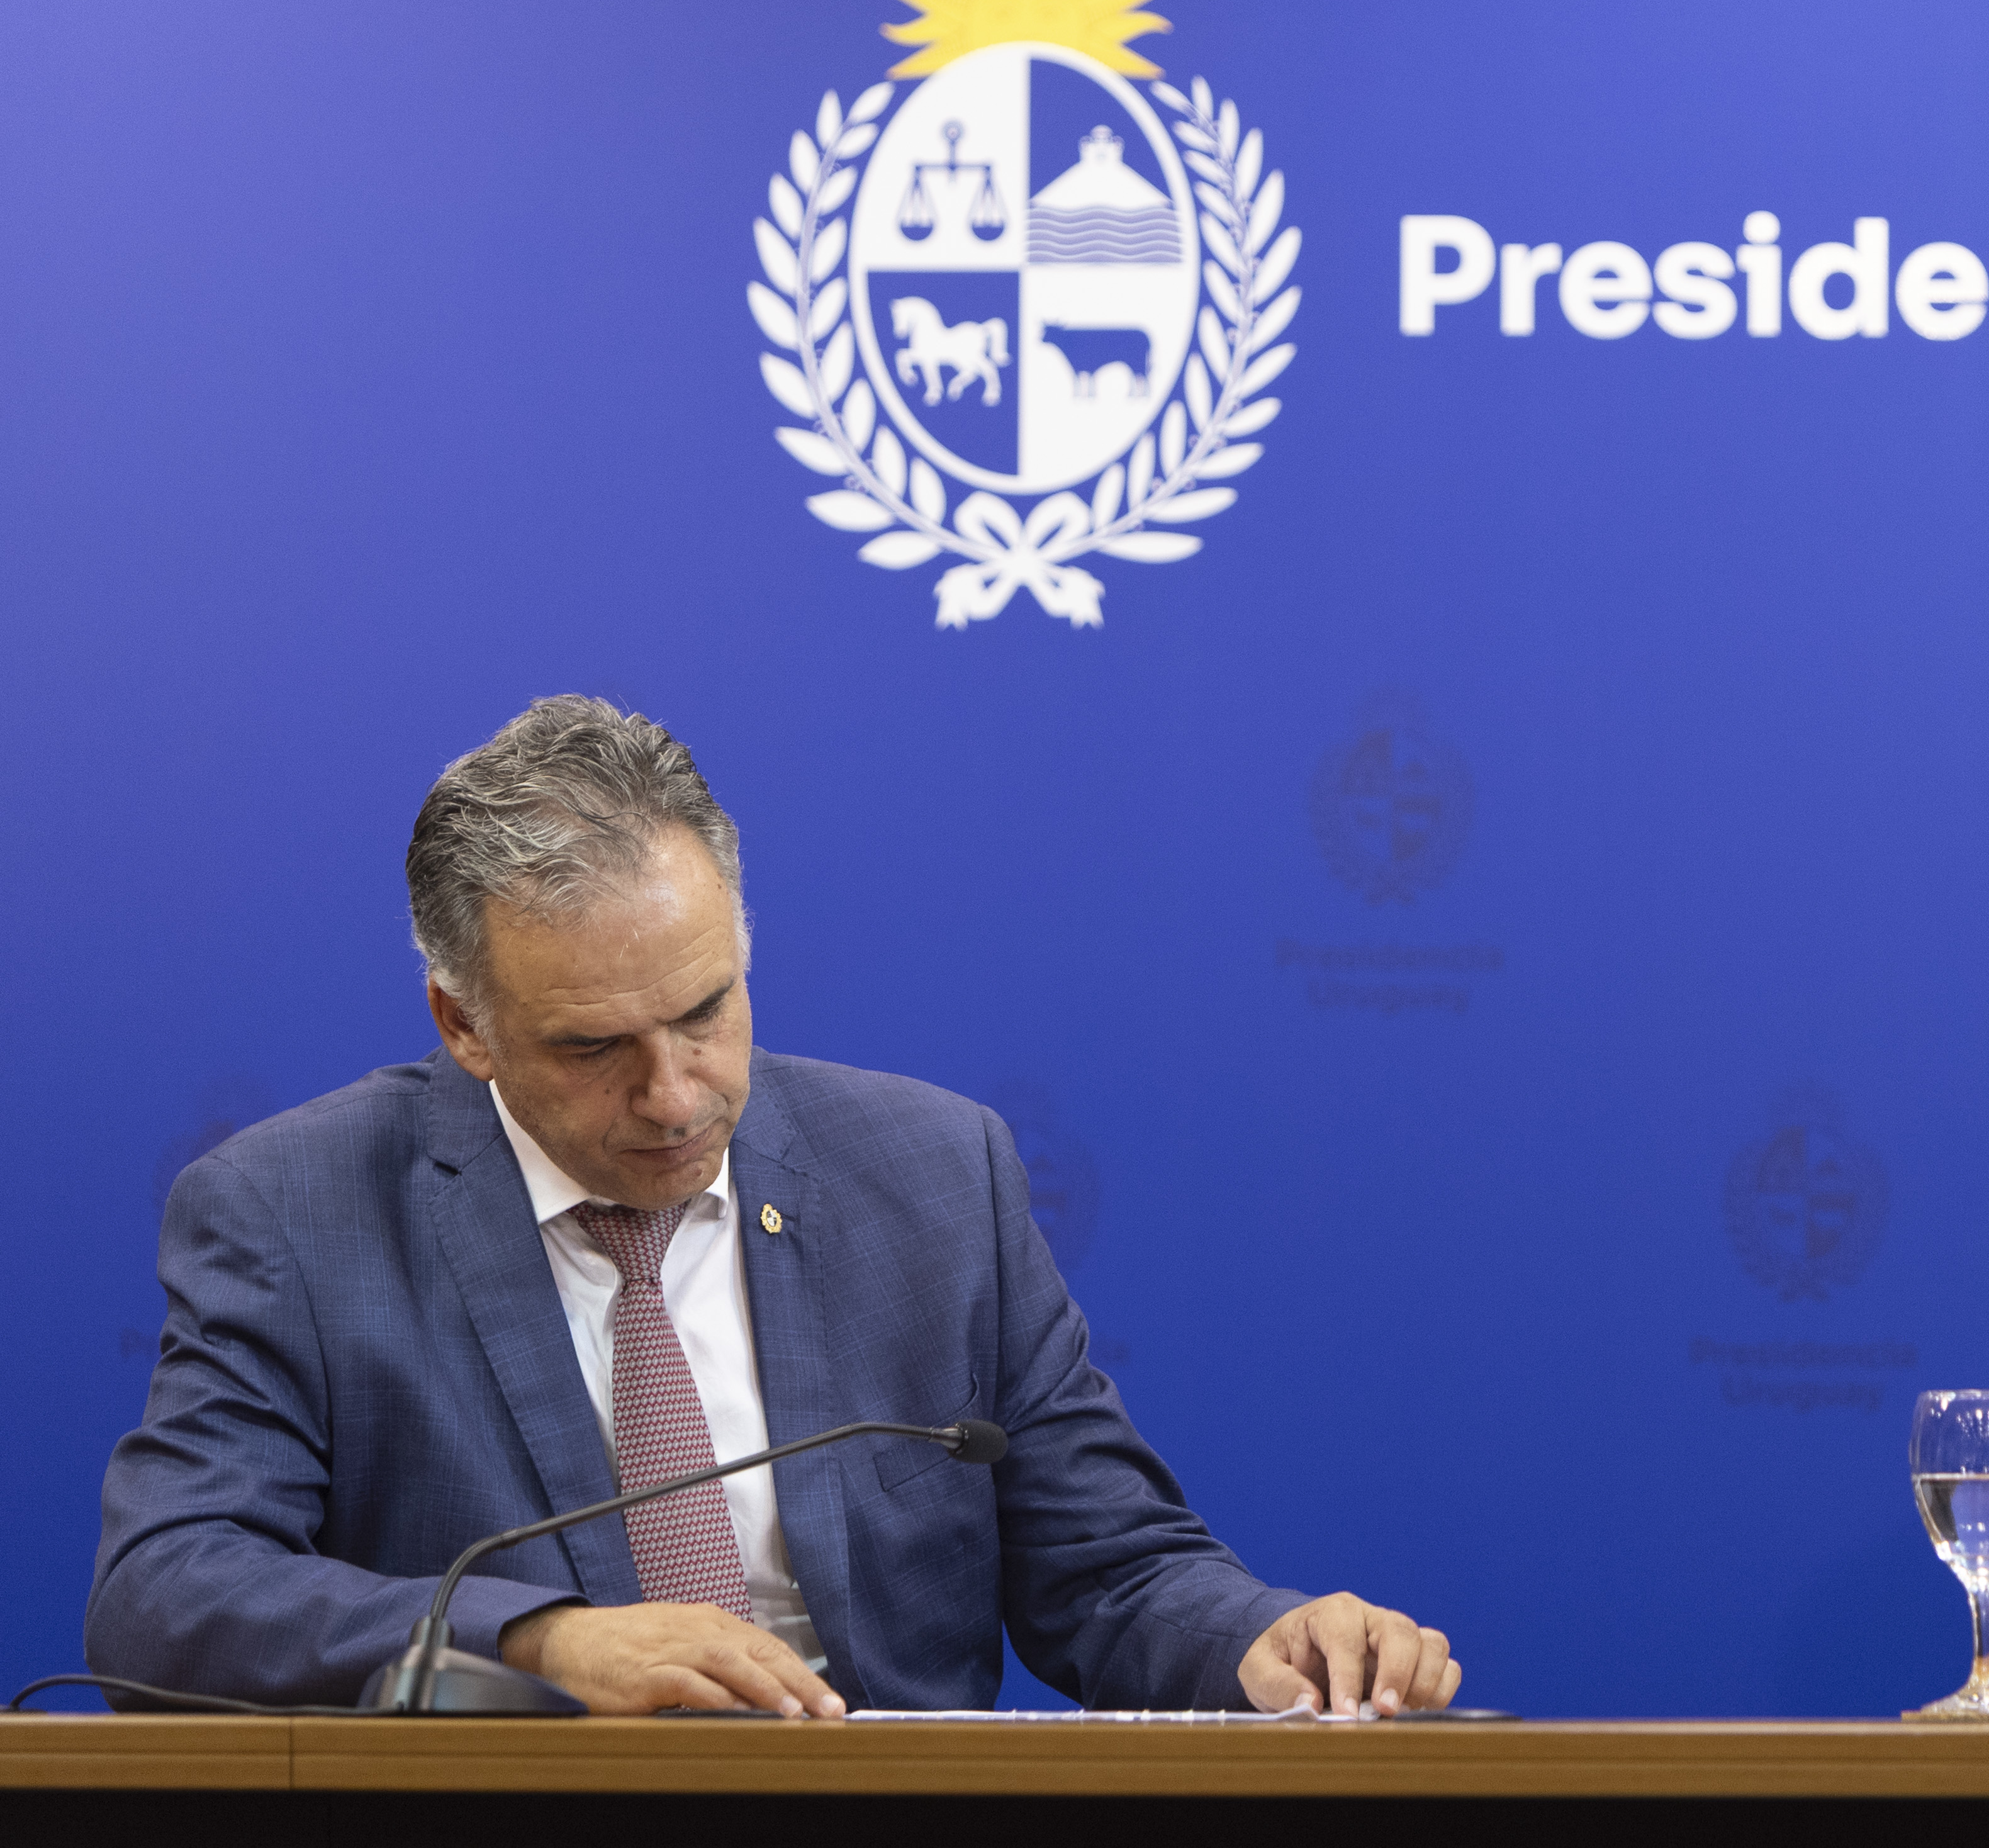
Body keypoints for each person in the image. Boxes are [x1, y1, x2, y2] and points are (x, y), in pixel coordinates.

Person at [88, 698, 1462, 1718]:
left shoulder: (937, 1175)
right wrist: (539, 1641)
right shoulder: (294, 1212)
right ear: (464, 1025)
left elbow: (1107, 1569)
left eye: (705, 1010)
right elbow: (168, 1589)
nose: (676, 1094)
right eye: (594, 1047)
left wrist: (1263, 1639)